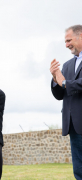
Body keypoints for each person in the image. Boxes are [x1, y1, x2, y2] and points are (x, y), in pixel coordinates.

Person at [50, 25, 82, 179]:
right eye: (65, 41)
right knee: (79, 170)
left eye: (69, 40)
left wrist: (64, 82)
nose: (67, 45)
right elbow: (60, 95)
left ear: (80, 36)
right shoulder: (68, 65)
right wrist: (55, 79)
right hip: (74, 125)